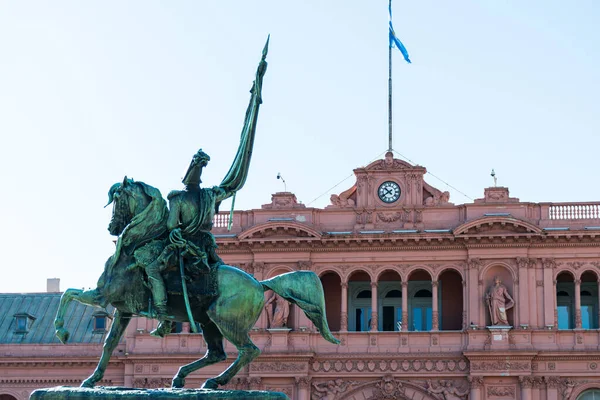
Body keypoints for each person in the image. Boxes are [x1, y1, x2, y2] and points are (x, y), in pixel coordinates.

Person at [149, 149, 230, 337]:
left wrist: (176, 229)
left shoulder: (178, 198)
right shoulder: (209, 196)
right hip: (204, 247)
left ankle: (164, 318)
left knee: (153, 270)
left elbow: (171, 225)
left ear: (185, 178)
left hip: (182, 246)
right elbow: (231, 186)